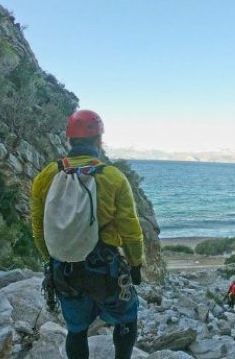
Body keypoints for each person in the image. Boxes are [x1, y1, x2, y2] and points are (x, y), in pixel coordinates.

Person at [30, 109, 144, 359]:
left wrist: (51, 257)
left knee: (76, 330)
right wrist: (136, 264)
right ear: (98, 141)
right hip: (105, 269)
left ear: (69, 140)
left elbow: (39, 227)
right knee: (127, 316)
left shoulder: (46, 176)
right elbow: (130, 230)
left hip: (64, 269)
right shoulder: (113, 177)